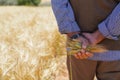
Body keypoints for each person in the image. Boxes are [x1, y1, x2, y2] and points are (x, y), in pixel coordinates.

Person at [51, 0, 120, 80]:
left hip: (78, 48)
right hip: (114, 48)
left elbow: (58, 2)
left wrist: (75, 35)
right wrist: (98, 35)